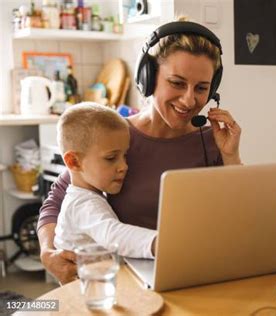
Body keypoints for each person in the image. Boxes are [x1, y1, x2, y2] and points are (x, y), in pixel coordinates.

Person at [37, 17, 242, 284]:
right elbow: (59, 199)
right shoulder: (113, 138)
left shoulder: (211, 140)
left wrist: (230, 156)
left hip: (195, 273)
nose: (190, 99)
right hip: (125, 281)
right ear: (148, 77)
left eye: (201, 88)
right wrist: (47, 252)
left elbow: (239, 215)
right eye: (177, 83)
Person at [54, 102, 156, 260]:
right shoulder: (81, 205)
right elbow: (113, 234)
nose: (124, 166)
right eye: (111, 158)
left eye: (124, 155)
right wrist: (161, 243)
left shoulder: (88, 196)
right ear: (74, 162)